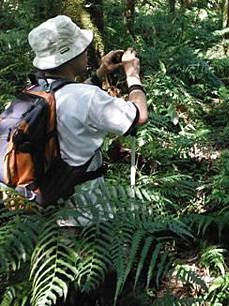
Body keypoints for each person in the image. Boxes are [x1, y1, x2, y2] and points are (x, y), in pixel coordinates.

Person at [27, 15, 148, 224]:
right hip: (87, 215)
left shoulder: (35, 92)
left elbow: (68, 96)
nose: (86, 52)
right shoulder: (87, 98)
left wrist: (101, 73)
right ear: (71, 56)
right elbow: (140, 114)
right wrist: (133, 75)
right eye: (82, 48)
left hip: (48, 205)